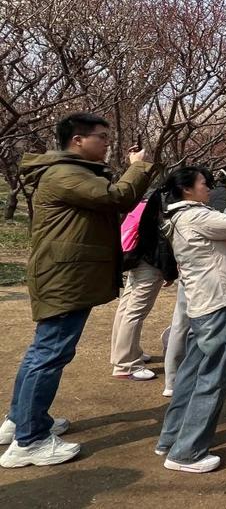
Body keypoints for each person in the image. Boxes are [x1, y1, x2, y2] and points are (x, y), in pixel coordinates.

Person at [1, 113, 153, 468]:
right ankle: (30, 441)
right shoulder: (65, 173)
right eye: (101, 137)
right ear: (78, 141)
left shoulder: (70, 172)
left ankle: (22, 420)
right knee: (50, 354)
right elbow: (117, 198)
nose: (107, 144)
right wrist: (138, 167)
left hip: (66, 275)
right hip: (64, 277)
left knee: (43, 351)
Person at [155, 166, 226, 473]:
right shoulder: (194, 216)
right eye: (202, 184)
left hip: (203, 302)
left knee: (192, 372)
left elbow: (224, 224)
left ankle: (171, 439)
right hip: (217, 302)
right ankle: (187, 452)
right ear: (187, 189)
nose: (207, 188)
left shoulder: (184, 215)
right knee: (213, 377)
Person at [109, 188, 173, 381]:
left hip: (135, 261)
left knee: (126, 308)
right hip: (150, 266)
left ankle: (126, 352)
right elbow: (163, 245)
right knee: (135, 312)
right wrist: (169, 271)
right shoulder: (163, 211)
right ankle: (126, 364)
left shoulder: (143, 204)